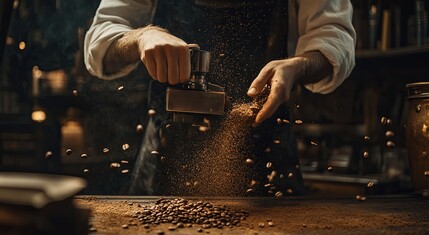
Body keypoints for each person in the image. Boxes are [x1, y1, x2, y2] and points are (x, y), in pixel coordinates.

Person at [84, 0, 356, 195]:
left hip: (265, 150)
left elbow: (333, 35)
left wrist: (298, 66)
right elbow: (100, 41)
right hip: (165, 152)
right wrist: (142, 37)